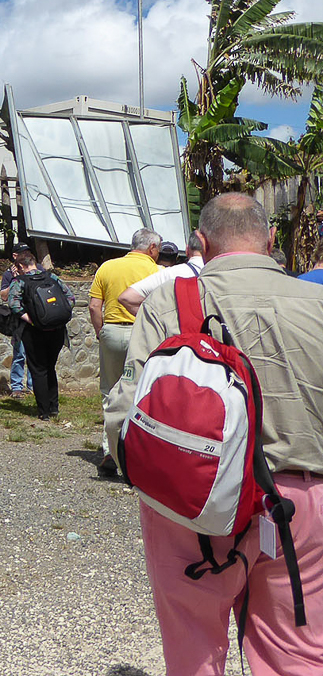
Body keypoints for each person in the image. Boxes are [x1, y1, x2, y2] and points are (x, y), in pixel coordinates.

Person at [105, 193, 323, 676]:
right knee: (298, 652)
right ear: (271, 239)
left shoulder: (168, 302)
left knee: (193, 645)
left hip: (194, 496)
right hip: (302, 501)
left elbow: (125, 414)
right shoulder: (319, 302)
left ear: (200, 243)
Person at [88, 227, 159, 477]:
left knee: (110, 389)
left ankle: (109, 450)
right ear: (152, 248)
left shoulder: (107, 267)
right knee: (142, 390)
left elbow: (95, 306)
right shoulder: (157, 271)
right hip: (142, 334)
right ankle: (136, 450)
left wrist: (101, 332)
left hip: (112, 331)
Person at [6, 249, 75, 421]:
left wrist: (32, 320)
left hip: (34, 332)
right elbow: (70, 298)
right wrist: (56, 317)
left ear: (21, 266)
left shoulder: (19, 281)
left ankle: (43, 411)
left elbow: (13, 304)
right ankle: (54, 408)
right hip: (57, 330)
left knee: (38, 370)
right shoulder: (52, 278)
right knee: (50, 367)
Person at [117, 230, 205, 317]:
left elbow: (126, 298)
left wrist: (156, 321)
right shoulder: (157, 269)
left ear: (187, 250)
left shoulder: (167, 273)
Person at [1, 244, 33, 399]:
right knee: (19, 354)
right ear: (15, 256)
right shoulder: (8, 274)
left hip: (34, 317)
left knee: (35, 354)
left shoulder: (36, 269)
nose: (26, 255)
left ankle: (33, 386)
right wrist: (15, 279)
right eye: (22, 253)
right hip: (19, 320)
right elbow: (4, 296)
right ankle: (17, 387)